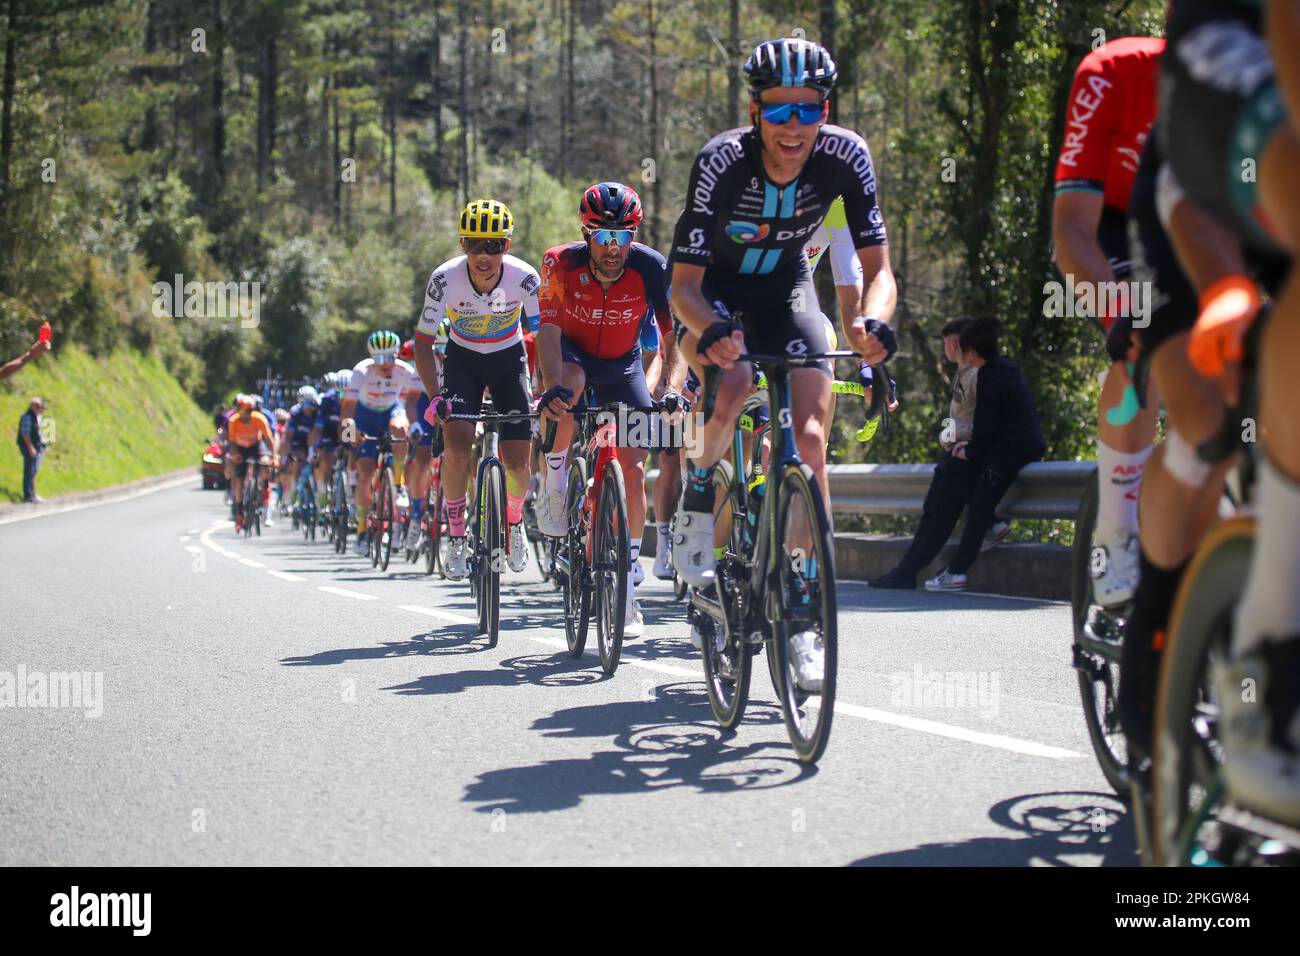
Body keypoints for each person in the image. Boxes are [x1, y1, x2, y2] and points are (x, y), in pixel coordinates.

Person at [666, 36, 897, 688]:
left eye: (808, 109)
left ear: (825, 109)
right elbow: (682, 287)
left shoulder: (846, 155)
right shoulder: (721, 161)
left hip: (788, 289)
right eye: (778, 111)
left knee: (812, 441)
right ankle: (702, 484)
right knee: (734, 379)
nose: (793, 126)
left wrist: (873, 322)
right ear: (753, 109)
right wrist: (709, 328)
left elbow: (877, 270)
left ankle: (801, 612)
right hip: (715, 292)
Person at [534, 182, 682, 637]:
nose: (613, 247)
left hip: (624, 365)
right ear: (586, 233)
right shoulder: (560, 263)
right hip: (575, 357)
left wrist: (671, 390)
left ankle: (628, 587)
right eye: (603, 236)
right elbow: (550, 334)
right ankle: (557, 484)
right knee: (570, 388)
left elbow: (674, 337)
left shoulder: (652, 267)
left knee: (634, 471)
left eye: (623, 236)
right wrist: (554, 386)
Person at [1051, 34, 1165, 607]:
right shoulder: (1114, 71)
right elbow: (1071, 227)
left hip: (1198, 223)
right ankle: (1117, 531)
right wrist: (1122, 316)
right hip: (1108, 226)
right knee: (1149, 340)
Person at [413, 199, 540, 580]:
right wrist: (435, 394)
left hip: (509, 360)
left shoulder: (525, 278)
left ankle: (515, 524)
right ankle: (455, 536)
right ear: (462, 243)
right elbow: (422, 342)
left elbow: (545, 335)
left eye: (494, 245)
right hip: (462, 361)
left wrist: (546, 387)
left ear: (508, 245)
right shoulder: (443, 279)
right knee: (456, 446)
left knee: (518, 462)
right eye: (474, 244)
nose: (484, 255)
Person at [871, 317, 1045, 590]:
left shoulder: (981, 373)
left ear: (964, 346)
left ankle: (948, 570)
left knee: (950, 511)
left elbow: (984, 421)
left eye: (950, 342)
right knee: (951, 510)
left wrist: (967, 449)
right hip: (980, 450)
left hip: (982, 452)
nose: (948, 347)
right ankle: (917, 568)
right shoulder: (980, 370)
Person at [342, 331, 422, 555]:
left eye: (390, 358)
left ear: (397, 355)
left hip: (392, 410)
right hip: (365, 415)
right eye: (379, 359)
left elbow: (410, 404)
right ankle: (360, 529)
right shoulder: (361, 371)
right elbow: (347, 407)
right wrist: (350, 432)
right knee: (365, 473)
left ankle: (398, 483)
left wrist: (412, 427)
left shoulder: (405, 371)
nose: (385, 364)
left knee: (399, 429)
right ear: (371, 358)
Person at [16, 397, 46, 502]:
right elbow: (25, 435)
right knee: (29, 470)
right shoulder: (28, 417)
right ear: (32, 406)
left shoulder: (37, 417)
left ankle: (33, 493)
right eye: (38, 407)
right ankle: (28, 495)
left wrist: (42, 446)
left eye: (41, 407)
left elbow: (40, 433)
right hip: (28, 447)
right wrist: (31, 448)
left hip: (36, 447)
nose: (40, 409)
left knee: (33, 470)